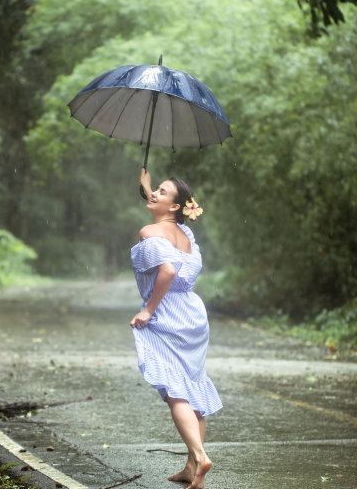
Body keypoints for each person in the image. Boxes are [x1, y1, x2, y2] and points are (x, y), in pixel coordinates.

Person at [130, 168, 222, 488]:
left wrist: (147, 310)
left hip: (167, 314)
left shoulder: (148, 232)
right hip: (193, 314)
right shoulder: (187, 236)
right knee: (193, 385)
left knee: (175, 390)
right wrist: (147, 188)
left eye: (162, 192)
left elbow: (166, 271)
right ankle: (190, 467)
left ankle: (199, 455)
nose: (154, 193)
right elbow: (172, 233)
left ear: (173, 207)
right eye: (155, 189)